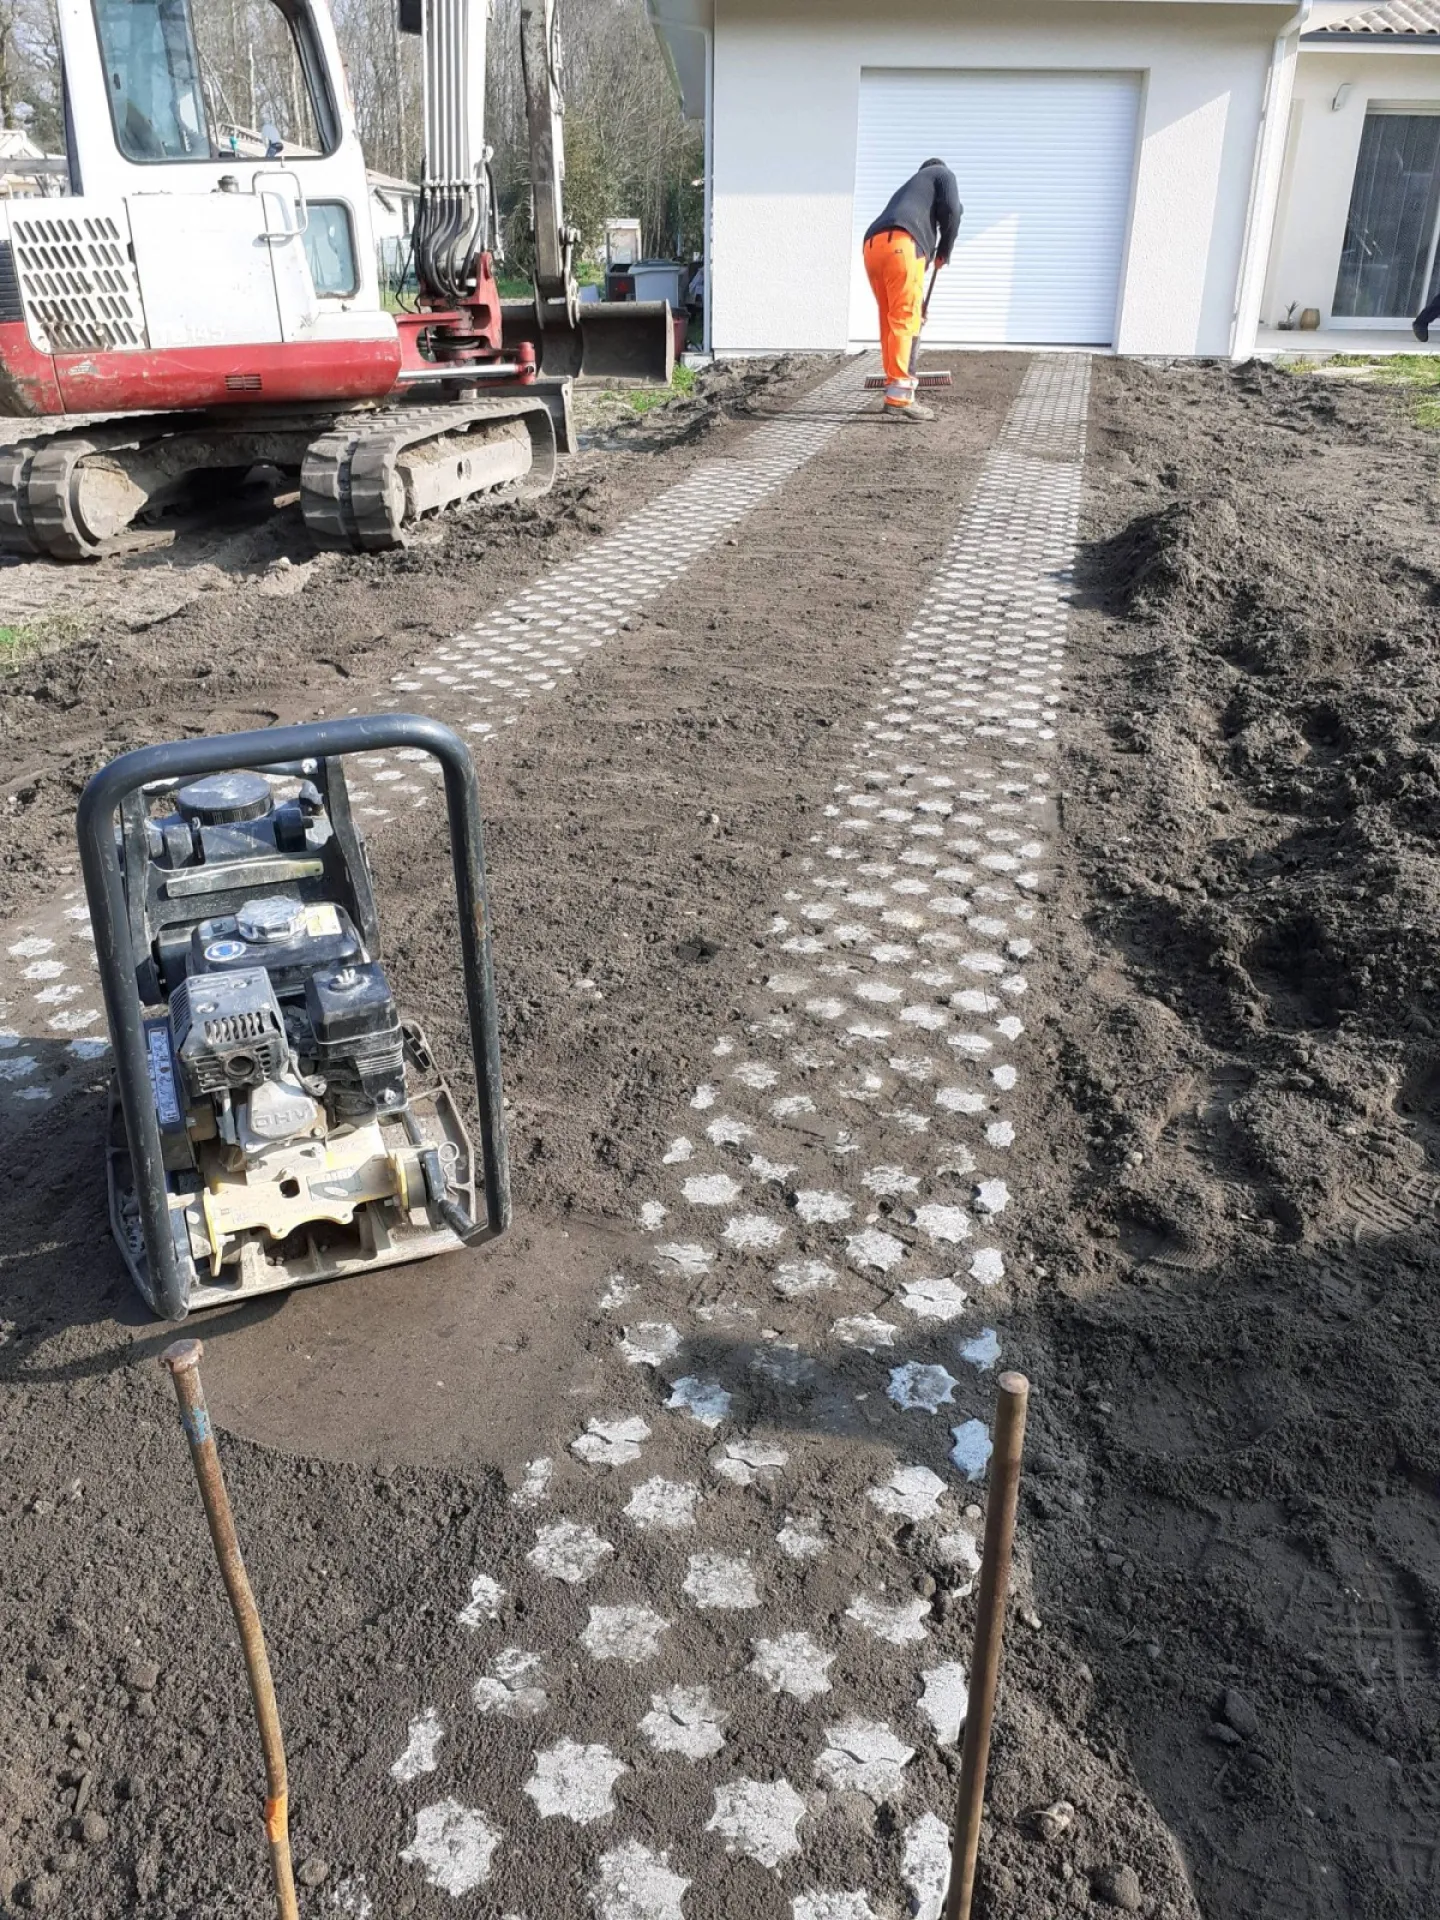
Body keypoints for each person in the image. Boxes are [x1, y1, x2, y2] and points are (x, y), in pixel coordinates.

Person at [863, 158, 962, 423]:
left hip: (873, 246)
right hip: (902, 244)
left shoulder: (911, 190)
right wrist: (944, 252)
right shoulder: (943, 174)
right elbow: (953, 210)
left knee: (890, 319)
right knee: (906, 318)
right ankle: (900, 397)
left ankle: (894, 386)